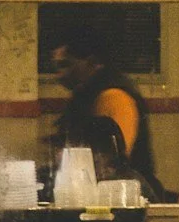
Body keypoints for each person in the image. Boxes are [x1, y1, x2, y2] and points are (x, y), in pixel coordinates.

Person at [49, 28, 167, 200]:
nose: (59, 75)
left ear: (91, 62)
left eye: (66, 65)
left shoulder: (113, 96)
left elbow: (113, 157)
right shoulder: (87, 95)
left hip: (125, 196)